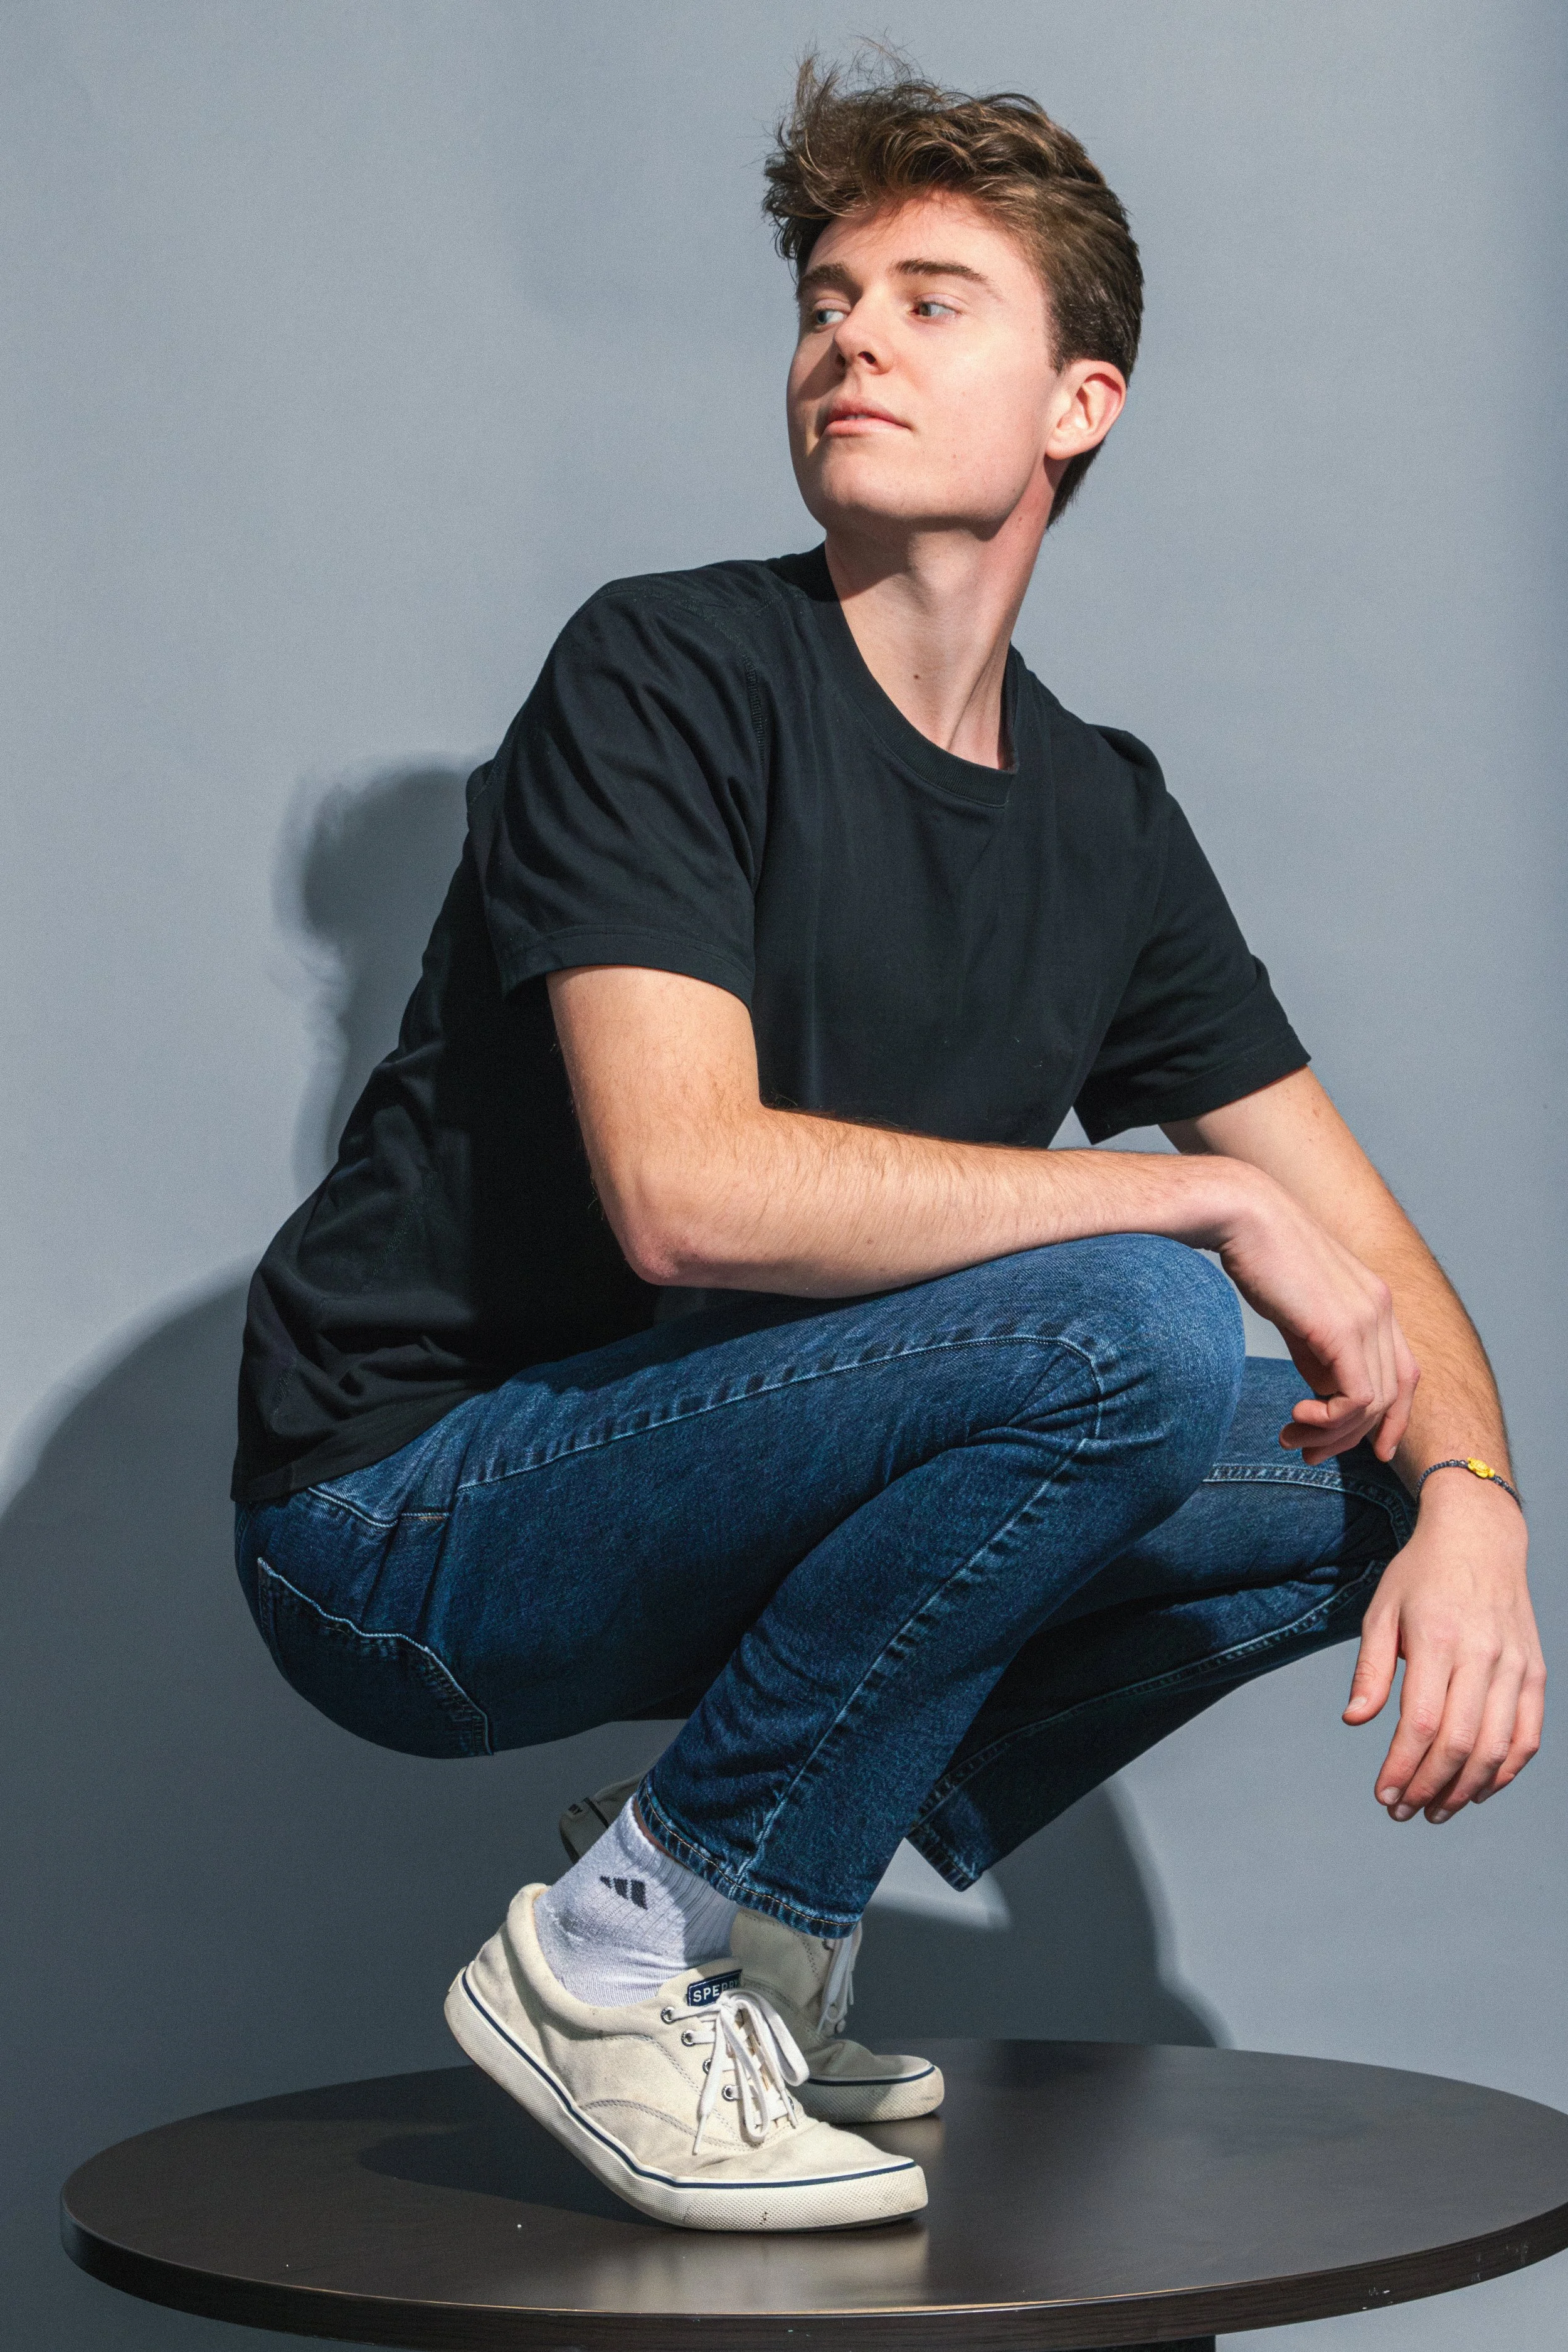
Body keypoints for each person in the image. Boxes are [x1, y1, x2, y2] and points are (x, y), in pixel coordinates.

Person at [231, 55, 1542, 2233]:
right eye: (828, 296)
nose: (851, 336)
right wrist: (1192, 1195)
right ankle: (628, 1946)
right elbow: (688, 1188)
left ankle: (753, 1907)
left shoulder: (1103, 814)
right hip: (403, 1516)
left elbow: (1372, 1256)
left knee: (1357, 1467)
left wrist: (1477, 1503)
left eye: (933, 299)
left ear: (1077, 404)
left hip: (714, 1457)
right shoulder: (663, 673)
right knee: (1142, 1317)